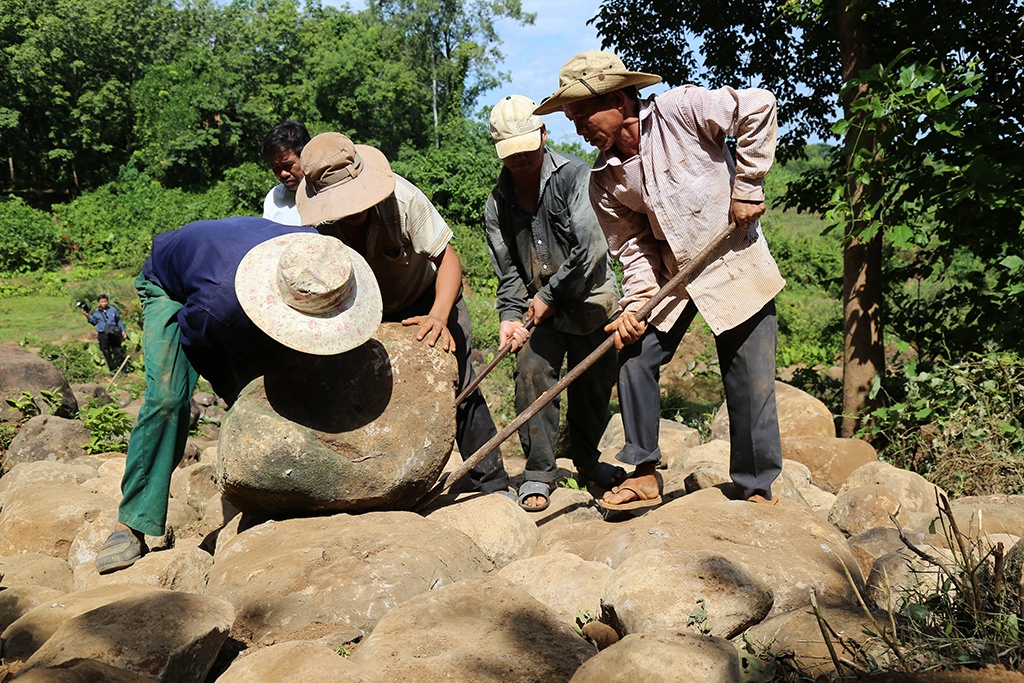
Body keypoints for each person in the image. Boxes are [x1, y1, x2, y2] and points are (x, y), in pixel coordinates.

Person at [535, 51, 786, 509]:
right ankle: (645, 472)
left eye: (582, 114)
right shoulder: (603, 180)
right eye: (570, 119)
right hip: (674, 277)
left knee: (749, 379)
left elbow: (758, 106)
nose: (577, 129)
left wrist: (748, 186)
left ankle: (754, 487)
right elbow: (634, 251)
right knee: (633, 349)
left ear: (617, 99)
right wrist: (634, 308)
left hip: (733, 263)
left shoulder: (679, 109)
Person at [94, 217, 382, 573]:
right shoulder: (219, 306)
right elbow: (199, 344)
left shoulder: (320, 256)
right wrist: (242, 399)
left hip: (221, 270)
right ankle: (132, 522)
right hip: (172, 285)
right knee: (168, 399)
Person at [295, 132, 513, 498]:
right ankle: (394, 484)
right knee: (375, 393)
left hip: (430, 298)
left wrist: (439, 317)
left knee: (460, 383)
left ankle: (491, 484)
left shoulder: (403, 198)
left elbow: (448, 259)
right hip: (370, 311)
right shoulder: (322, 225)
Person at [483, 94, 622, 512]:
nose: (522, 160)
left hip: (592, 303)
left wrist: (547, 295)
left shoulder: (576, 176)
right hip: (541, 314)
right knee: (531, 374)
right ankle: (540, 471)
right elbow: (508, 272)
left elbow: (592, 248)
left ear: (543, 134)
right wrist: (510, 315)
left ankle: (587, 462)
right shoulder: (497, 204)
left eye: (528, 149)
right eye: (512, 155)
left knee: (593, 390)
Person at [262, 121, 311, 225]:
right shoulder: (273, 198)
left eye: (288, 165)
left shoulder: (326, 193)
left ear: (305, 157)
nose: (283, 174)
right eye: (276, 167)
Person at [81, 294, 127, 371]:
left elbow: (118, 320)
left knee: (117, 351)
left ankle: (123, 370)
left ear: (107, 301)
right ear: (99, 302)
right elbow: (94, 322)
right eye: (102, 302)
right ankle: (112, 369)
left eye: (105, 301)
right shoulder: (95, 312)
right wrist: (87, 316)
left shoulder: (113, 310)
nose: (104, 303)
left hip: (113, 333)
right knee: (106, 351)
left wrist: (123, 330)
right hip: (103, 334)